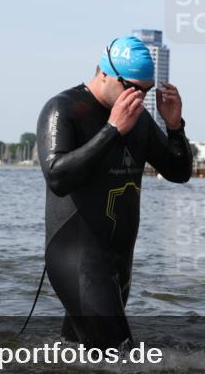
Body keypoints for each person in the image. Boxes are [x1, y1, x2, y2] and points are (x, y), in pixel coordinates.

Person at [37, 36, 192, 349]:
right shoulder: (63, 109)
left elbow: (178, 172)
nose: (139, 97)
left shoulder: (139, 119)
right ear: (104, 73)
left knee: (82, 362)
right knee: (122, 361)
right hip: (77, 259)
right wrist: (112, 130)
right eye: (133, 87)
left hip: (118, 263)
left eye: (146, 91)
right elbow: (57, 176)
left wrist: (175, 127)